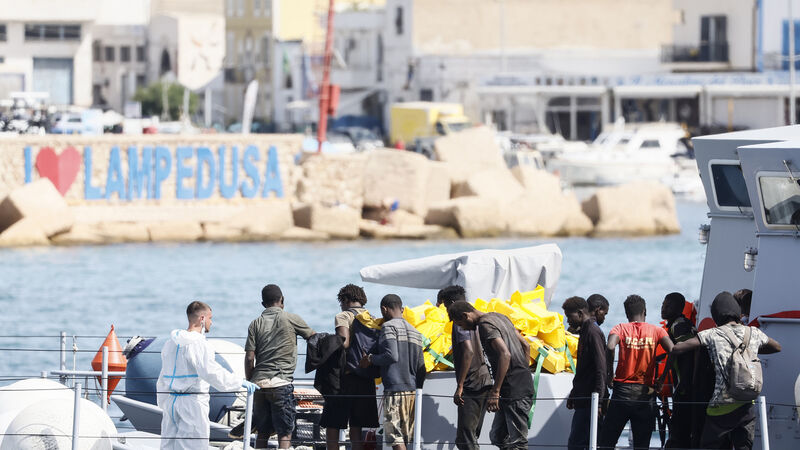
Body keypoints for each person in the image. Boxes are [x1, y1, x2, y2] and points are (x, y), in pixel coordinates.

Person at [671, 292, 781, 450]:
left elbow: (678, 349)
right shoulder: (753, 332)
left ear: (716, 314)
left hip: (720, 408)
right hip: (746, 406)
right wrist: (753, 350)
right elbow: (777, 347)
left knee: (708, 446)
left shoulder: (712, 334)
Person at [157, 301, 258, 450]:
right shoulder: (199, 343)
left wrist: (163, 402)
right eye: (210, 318)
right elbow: (210, 371)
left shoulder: (170, 343)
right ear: (202, 319)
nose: (212, 322)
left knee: (168, 445)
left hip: (171, 402)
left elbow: (163, 376)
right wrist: (238, 382)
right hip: (192, 403)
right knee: (193, 445)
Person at [447, 301, 534, 450]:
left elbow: (505, 354)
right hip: (516, 384)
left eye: (460, 324)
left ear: (465, 315)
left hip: (514, 389)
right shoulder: (501, 317)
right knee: (497, 436)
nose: (463, 329)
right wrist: (523, 372)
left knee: (518, 443)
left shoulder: (484, 325)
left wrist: (495, 391)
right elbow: (526, 346)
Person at [243, 285, 315, 448]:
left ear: (263, 304)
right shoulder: (291, 318)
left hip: (259, 384)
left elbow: (249, 358)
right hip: (281, 383)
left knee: (262, 431)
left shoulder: (255, 324)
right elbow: (313, 337)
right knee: (285, 432)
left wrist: (251, 381)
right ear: (282, 300)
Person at [599, 295, 673, 450]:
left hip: (621, 393)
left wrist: (610, 374)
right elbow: (673, 350)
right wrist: (662, 378)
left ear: (627, 314)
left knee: (607, 443)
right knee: (641, 445)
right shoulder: (656, 331)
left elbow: (610, 346)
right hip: (645, 395)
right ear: (645, 311)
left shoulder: (620, 328)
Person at [359, 294, 426, 450]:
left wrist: (370, 358)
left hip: (394, 390)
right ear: (401, 309)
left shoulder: (388, 327)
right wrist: (417, 388)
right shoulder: (415, 332)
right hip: (411, 392)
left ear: (384, 309)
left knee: (394, 437)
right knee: (404, 437)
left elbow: (391, 355)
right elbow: (421, 367)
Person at [320, 284, 379, 450]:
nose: (341, 305)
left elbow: (344, 342)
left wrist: (325, 344)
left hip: (345, 377)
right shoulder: (371, 317)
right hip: (365, 375)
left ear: (346, 299)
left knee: (333, 422)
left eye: (341, 301)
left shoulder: (343, 315)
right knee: (357, 425)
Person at [436, 286, 493, 450]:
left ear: (452, 303)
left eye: (446, 306)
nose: (447, 311)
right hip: (485, 379)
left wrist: (460, 385)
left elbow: (468, 351)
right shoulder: (477, 318)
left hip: (472, 383)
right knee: (471, 436)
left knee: (465, 439)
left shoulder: (459, 321)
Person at [562, 296, 607, 450]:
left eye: (569, 316)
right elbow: (584, 368)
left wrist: (598, 402)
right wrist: (574, 392)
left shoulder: (592, 332)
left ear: (580, 313)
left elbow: (601, 368)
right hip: (584, 398)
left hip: (591, 401)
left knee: (577, 444)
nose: (568, 321)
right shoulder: (585, 330)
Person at [660, 292, 697, 448]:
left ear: (679, 309)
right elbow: (674, 354)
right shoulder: (677, 324)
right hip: (683, 387)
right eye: (663, 304)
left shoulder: (679, 326)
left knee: (679, 431)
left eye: (669, 306)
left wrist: (683, 386)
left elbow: (687, 355)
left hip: (685, 388)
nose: (664, 308)